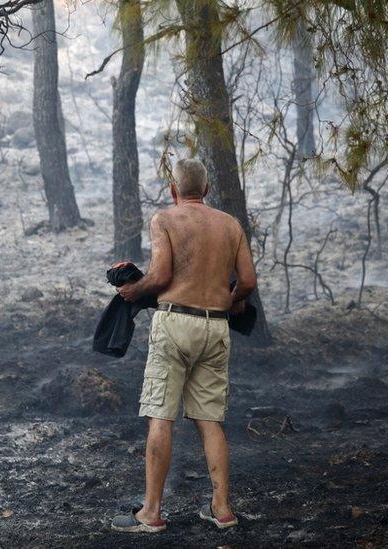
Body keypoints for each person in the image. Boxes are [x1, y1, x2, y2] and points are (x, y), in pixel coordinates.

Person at [110, 158, 257, 533]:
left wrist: (133, 291)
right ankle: (222, 509)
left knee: (161, 416)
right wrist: (234, 301)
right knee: (211, 420)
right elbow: (249, 281)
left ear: (173, 190)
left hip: (174, 323)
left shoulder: (164, 219)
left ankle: (151, 513)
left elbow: (159, 276)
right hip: (215, 327)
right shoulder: (230, 224)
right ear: (206, 190)